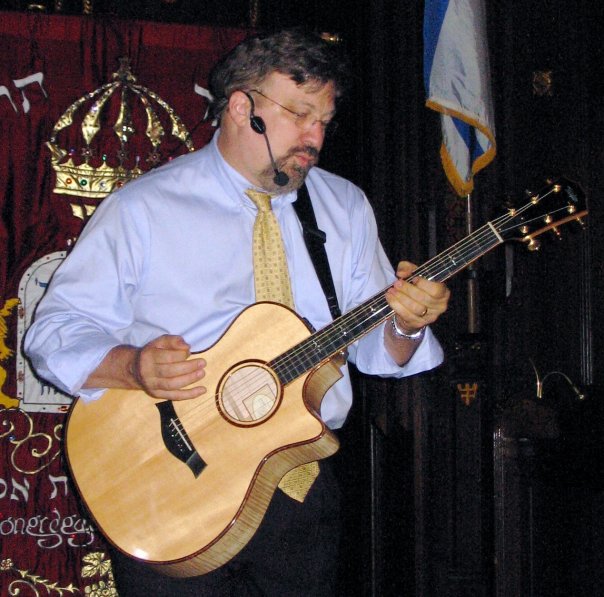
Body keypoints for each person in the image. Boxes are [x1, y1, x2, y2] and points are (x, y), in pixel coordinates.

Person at [25, 29, 450, 596]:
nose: (314, 137)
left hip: (300, 488)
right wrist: (133, 367)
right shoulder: (143, 208)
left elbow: (375, 352)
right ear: (240, 107)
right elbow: (52, 333)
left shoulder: (343, 205)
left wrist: (405, 323)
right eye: (299, 114)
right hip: (170, 484)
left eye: (324, 119)